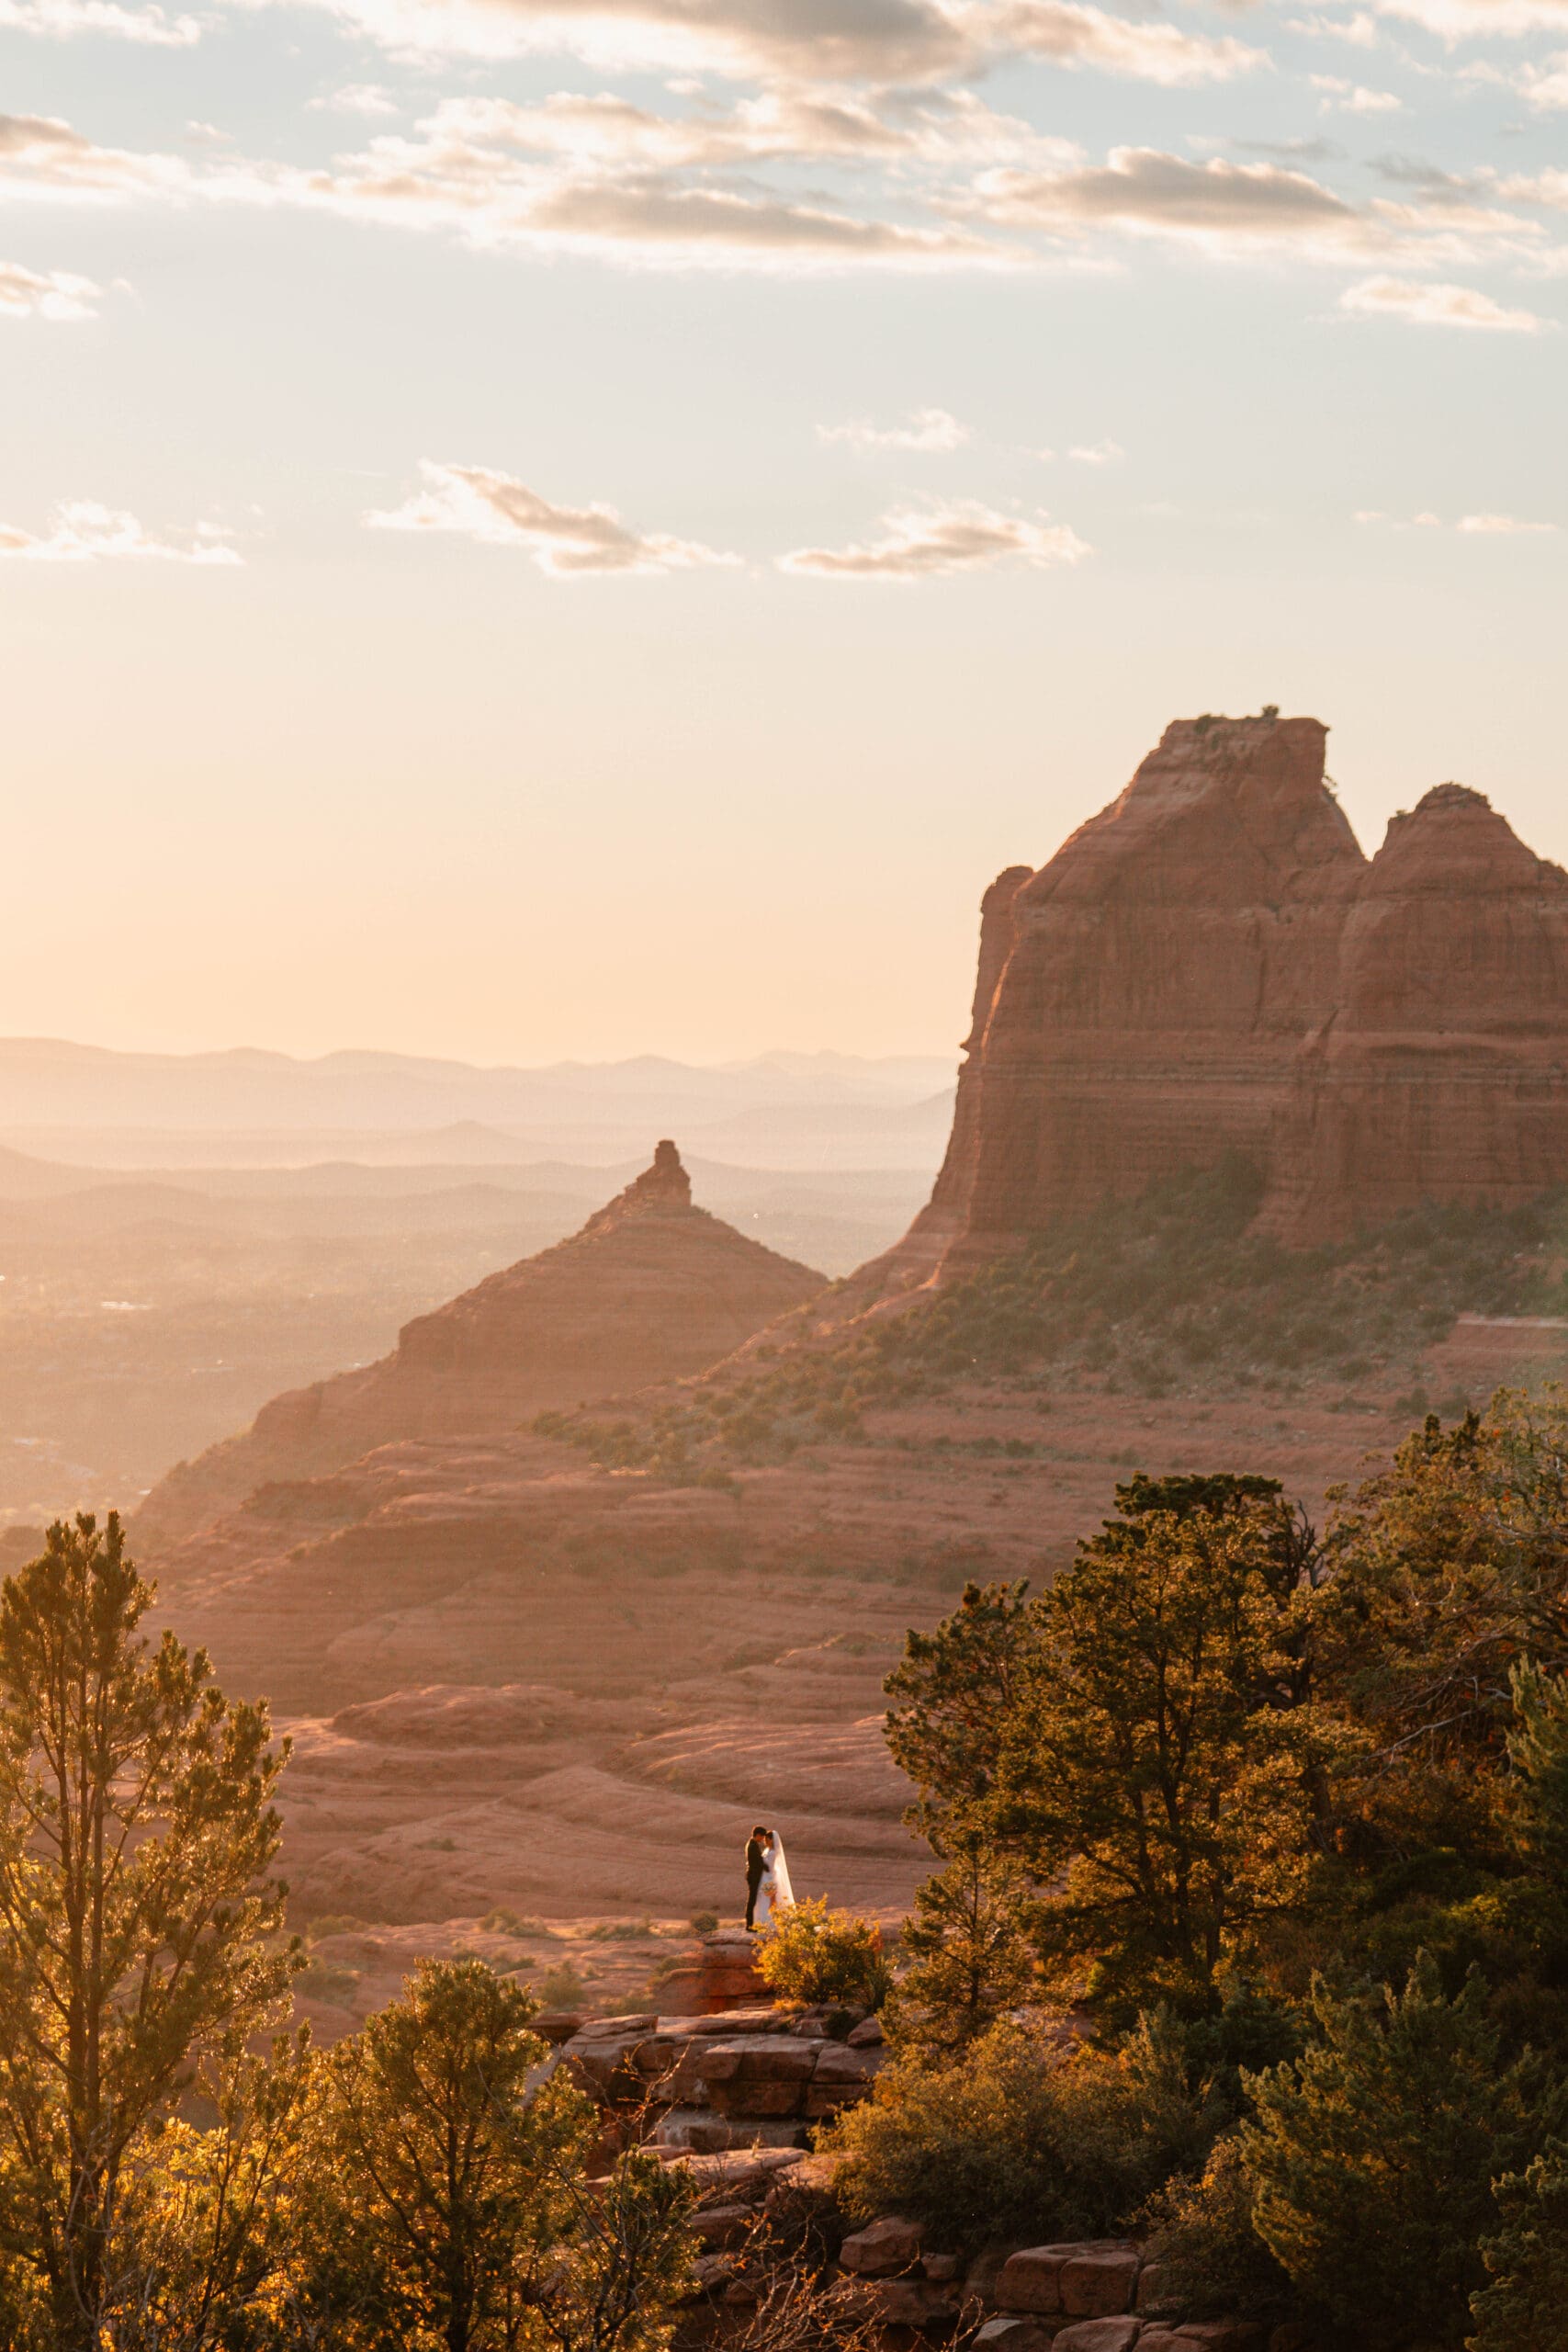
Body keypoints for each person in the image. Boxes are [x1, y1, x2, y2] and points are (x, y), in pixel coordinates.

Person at [750, 1827, 795, 1932]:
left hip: (769, 1879)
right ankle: (760, 1922)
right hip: (764, 1878)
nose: (765, 1841)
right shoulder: (767, 1851)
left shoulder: (773, 1853)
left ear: (772, 1840)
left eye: (767, 1839)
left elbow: (769, 1867)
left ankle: (768, 1924)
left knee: (768, 1901)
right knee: (762, 1901)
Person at [745, 1825, 768, 1931]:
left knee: (752, 1900)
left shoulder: (753, 1844)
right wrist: (766, 1866)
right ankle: (749, 1925)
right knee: (752, 1901)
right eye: (762, 1837)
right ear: (758, 1835)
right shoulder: (753, 1846)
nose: (763, 1839)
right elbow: (757, 1862)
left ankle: (751, 1924)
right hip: (753, 1876)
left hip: (753, 1875)